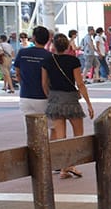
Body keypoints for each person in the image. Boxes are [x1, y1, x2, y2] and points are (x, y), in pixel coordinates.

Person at [41, 32, 94, 179]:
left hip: (55, 100)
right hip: (71, 100)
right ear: (67, 46)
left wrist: (51, 97)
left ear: (53, 46)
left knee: (61, 136)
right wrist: (89, 104)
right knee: (78, 135)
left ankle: (64, 167)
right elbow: (80, 83)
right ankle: (69, 165)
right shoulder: (73, 61)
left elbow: (44, 84)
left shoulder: (47, 61)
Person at [12, 25, 53, 116]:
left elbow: (17, 74)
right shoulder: (50, 56)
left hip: (26, 96)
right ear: (48, 39)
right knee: (50, 127)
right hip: (44, 96)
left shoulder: (22, 53)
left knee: (30, 128)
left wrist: (23, 84)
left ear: (34, 38)